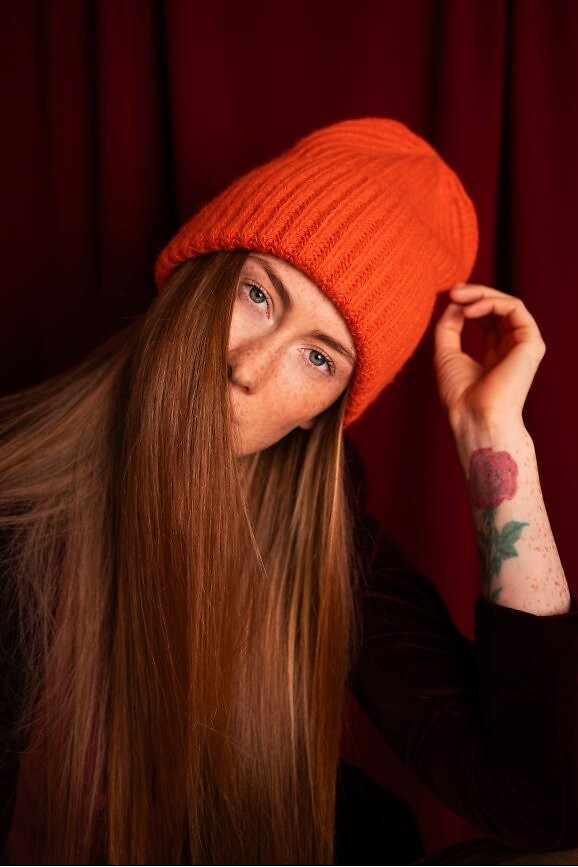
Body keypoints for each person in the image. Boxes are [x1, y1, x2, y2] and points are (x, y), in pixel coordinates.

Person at [0, 118, 576, 865]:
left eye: (318, 358)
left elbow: (540, 802)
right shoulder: (16, 489)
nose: (248, 367)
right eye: (257, 294)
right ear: (196, 274)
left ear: (322, 414)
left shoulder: (321, 528)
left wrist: (491, 434)